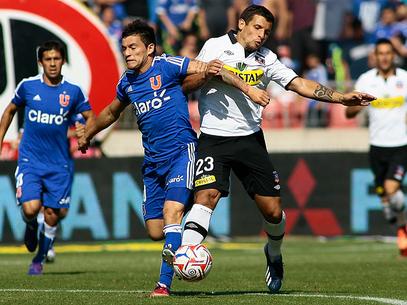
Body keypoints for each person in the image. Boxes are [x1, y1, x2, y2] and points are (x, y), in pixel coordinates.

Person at [172, 4, 375, 294]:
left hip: (250, 140)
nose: (262, 35)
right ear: (241, 24)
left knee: (273, 212)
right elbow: (186, 84)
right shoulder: (214, 46)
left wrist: (342, 98)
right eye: (257, 28)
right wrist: (207, 74)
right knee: (207, 196)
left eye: (266, 31)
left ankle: (274, 254)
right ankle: (187, 254)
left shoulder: (266, 58)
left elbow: (298, 83)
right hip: (213, 139)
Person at [77, 19, 270, 297]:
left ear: (150, 48)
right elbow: (110, 112)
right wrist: (87, 135)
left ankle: (163, 284)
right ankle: (188, 215)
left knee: (171, 214)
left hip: (182, 152)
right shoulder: (127, 82)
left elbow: (213, 67)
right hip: (153, 163)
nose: (127, 53)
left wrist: (249, 88)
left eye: (133, 47)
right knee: (156, 230)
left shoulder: (167, 65)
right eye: (124, 48)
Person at [0, 40, 95, 275]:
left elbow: (90, 117)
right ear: (40, 62)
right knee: (32, 209)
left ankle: (39, 259)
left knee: (53, 214)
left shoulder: (73, 92)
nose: (52, 64)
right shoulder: (28, 87)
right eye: (48, 59)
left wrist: (85, 134)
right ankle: (31, 225)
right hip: (30, 160)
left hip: (59, 163)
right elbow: (10, 110)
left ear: (63, 61)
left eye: (57, 59)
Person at [345, 38, 407, 257]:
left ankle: (401, 225)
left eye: (388, 53)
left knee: (392, 189)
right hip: (376, 146)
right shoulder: (366, 80)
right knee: (386, 198)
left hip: (400, 145)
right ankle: (401, 225)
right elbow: (348, 113)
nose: (384, 57)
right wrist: (358, 104)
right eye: (380, 53)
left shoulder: (405, 79)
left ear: (393, 55)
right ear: (375, 56)